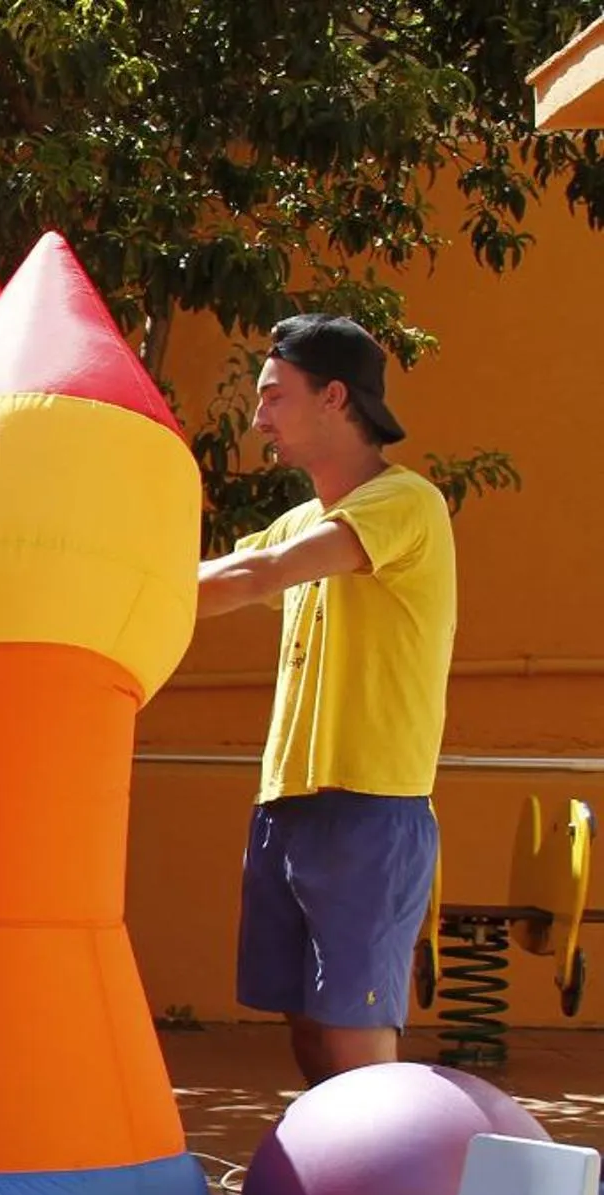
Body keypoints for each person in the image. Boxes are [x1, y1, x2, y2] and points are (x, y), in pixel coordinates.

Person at [197, 315, 455, 1091]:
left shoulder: (404, 502)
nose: (258, 419)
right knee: (305, 1030)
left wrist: (101, 593)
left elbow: (250, 577)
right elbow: (208, 577)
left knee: (351, 1033)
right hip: (288, 804)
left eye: (273, 396)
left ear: (334, 397)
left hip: (368, 806)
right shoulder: (302, 521)